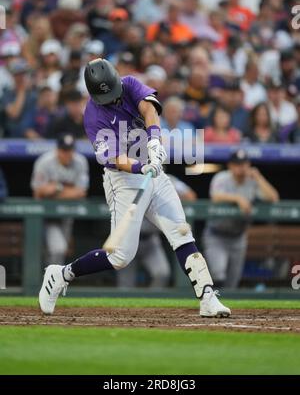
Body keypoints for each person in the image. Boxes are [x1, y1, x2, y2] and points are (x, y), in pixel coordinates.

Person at [39, 57, 230, 318]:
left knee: (180, 233)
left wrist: (153, 142)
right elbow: (116, 159)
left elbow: (149, 109)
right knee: (120, 257)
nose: (114, 100)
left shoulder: (129, 84)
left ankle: (208, 297)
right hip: (124, 181)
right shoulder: (93, 116)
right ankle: (61, 274)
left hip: (154, 172)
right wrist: (141, 167)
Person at [202, 149, 279, 289]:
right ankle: (211, 305)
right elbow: (215, 196)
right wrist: (237, 198)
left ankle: (227, 309)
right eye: (237, 164)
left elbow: (273, 198)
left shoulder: (252, 181)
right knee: (218, 273)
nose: (240, 167)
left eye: (243, 164)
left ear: (248, 165)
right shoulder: (222, 177)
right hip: (216, 235)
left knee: (232, 283)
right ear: (230, 166)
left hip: (238, 238)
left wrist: (259, 178)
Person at [31, 134, 89, 265]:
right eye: (64, 150)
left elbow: (81, 192)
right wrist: (69, 190)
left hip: (67, 216)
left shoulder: (80, 162)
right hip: (46, 215)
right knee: (58, 249)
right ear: (57, 149)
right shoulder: (44, 162)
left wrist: (56, 188)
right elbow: (38, 192)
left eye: (70, 150)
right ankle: (51, 281)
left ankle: (53, 282)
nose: (67, 154)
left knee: (59, 252)